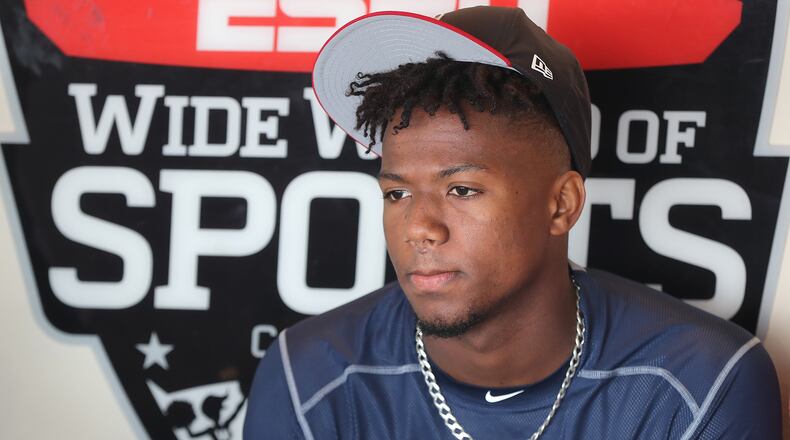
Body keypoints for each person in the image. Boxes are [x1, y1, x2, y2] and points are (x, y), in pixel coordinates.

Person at [244, 6, 782, 439]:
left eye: (462, 189)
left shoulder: (702, 383)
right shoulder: (307, 375)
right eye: (398, 192)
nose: (419, 228)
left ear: (562, 205)